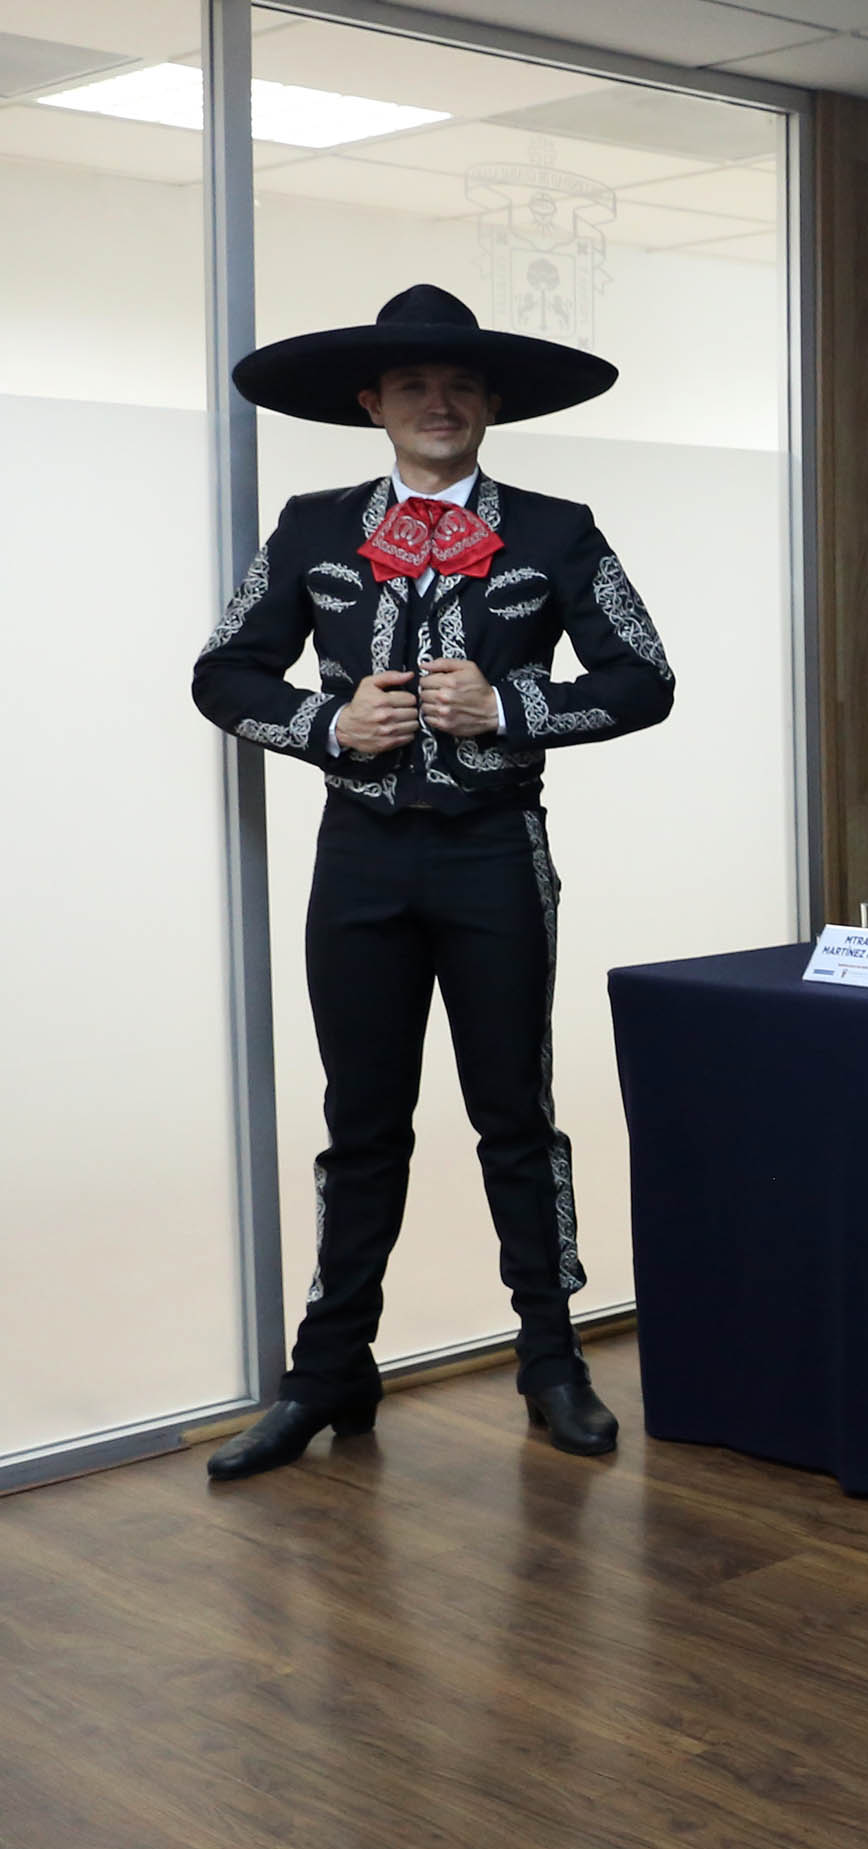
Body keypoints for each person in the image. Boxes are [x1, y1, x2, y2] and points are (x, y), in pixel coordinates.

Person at [190, 284, 675, 1480]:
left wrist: (512, 706)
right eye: (413, 385)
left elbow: (645, 678)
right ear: (373, 404)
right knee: (361, 1122)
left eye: (459, 385)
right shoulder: (312, 525)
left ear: (491, 402)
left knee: (514, 1113)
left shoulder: (556, 529)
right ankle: (328, 1372)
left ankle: (551, 1360)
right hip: (358, 854)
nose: (438, 403)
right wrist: (327, 722)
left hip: (494, 851)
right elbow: (223, 672)